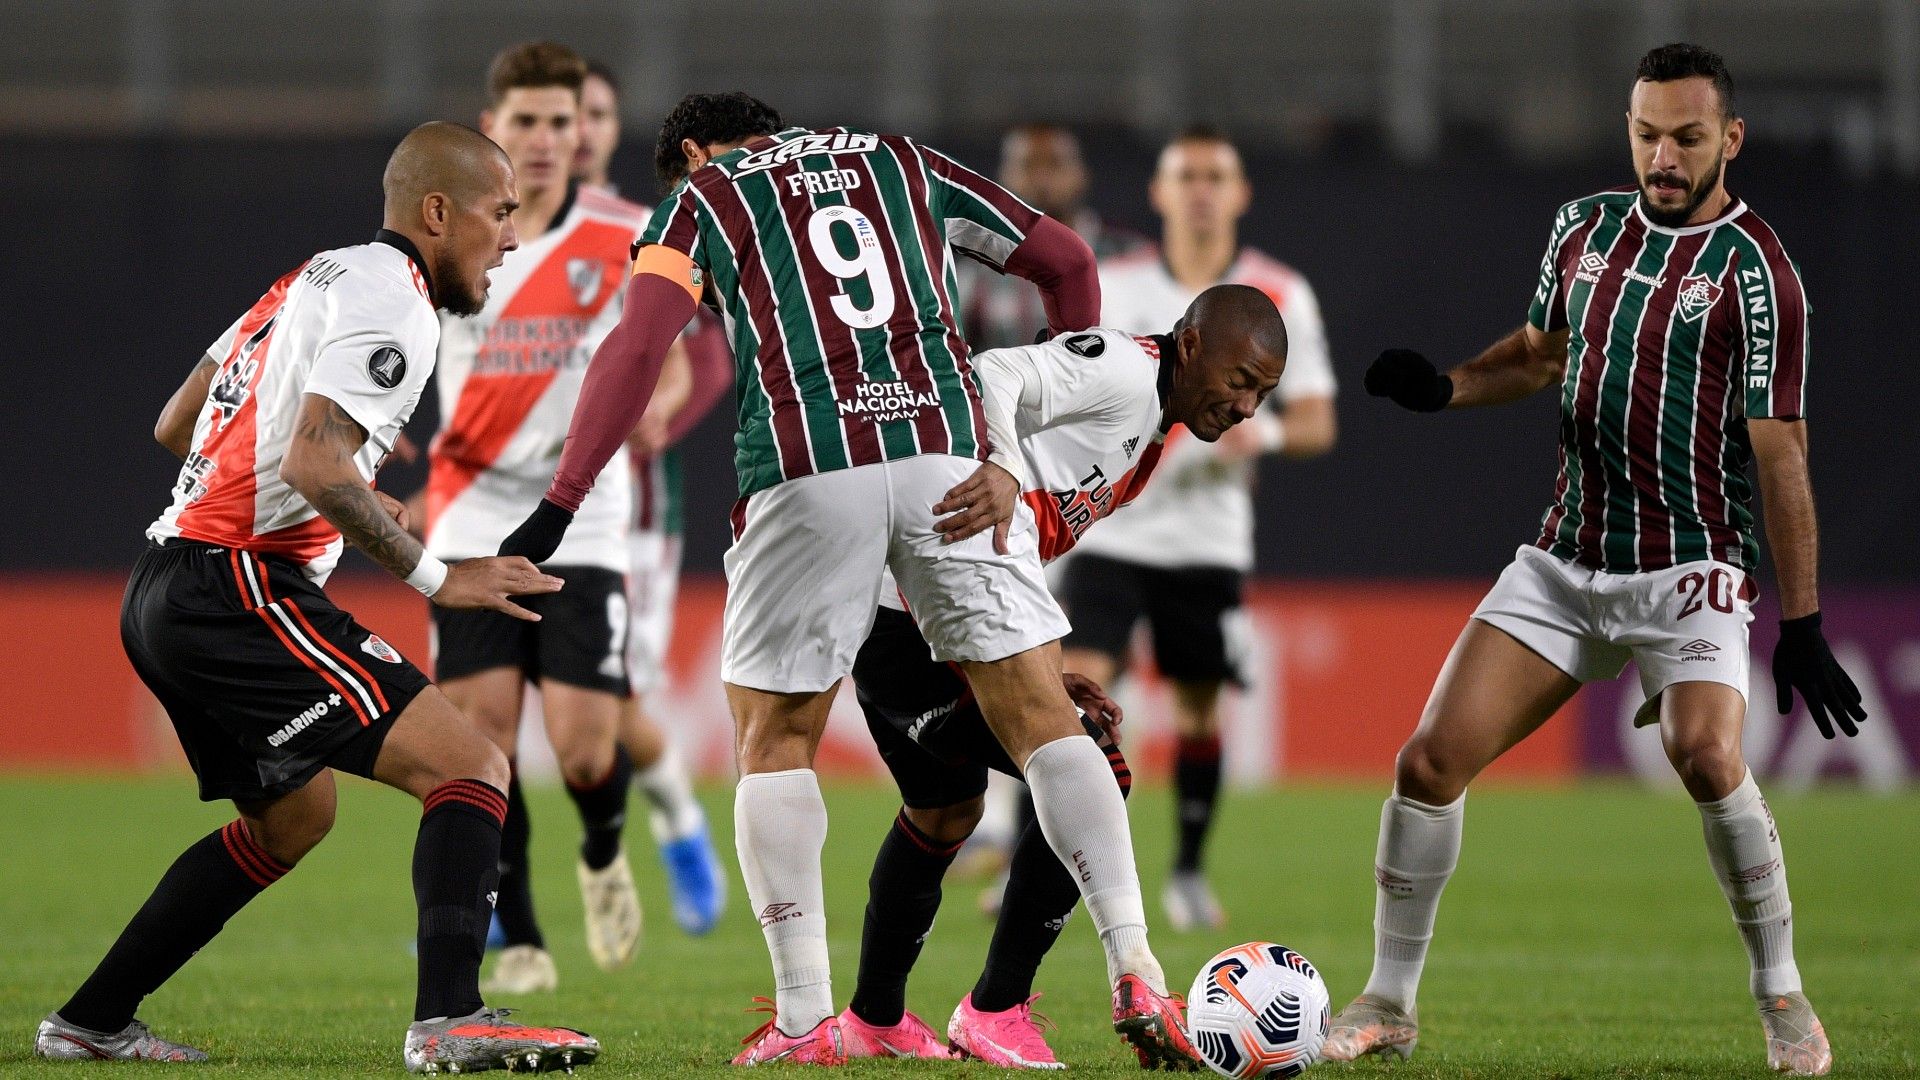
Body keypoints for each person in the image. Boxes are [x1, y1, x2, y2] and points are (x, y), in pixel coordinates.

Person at [500, 92, 1194, 1069]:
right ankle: (1138, 967)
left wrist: (562, 501)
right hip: (948, 450)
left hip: (803, 463)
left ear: (695, 150)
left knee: (776, 736)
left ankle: (803, 1022)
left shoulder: (704, 195)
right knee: (1048, 721)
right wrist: (1060, 409)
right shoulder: (907, 160)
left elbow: (639, 342)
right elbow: (1069, 262)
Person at [1322, 44, 1863, 1078]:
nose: (1663, 156)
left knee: (1707, 756)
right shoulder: (1584, 228)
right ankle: (1389, 1002)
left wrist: (1802, 622)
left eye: (1687, 138)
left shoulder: (1761, 278)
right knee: (1427, 764)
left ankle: (1782, 996)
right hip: (1567, 559)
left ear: (1730, 141)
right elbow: (1538, 352)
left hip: (1690, 567)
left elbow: (1782, 454)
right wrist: (1443, 388)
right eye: (1647, 133)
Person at [33, 122, 600, 1074]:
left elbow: (180, 423)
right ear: (436, 211)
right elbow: (312, 456)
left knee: (293, 820)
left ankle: (90, 1022)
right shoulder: (398, 303)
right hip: (239, 583)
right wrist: (437, 574)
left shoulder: (312, 276)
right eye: (498, 214)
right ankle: (450, 1020)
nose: (508, 238)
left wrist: (326, 484)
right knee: (471, 766)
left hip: (165, 586)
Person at [839, 286, 1288, 1067]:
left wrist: (1039, 664)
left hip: (901, 612)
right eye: (1241, 379)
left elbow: (1023, 535)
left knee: (945, 811)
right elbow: (994, 371)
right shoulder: (1122, 367)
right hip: (918, 606)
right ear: (1189, 345)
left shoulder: (1151, 427)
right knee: (1092, 764)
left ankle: (874, 1019)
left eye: (1263, 393)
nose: (1247, 405)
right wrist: (1007, 468)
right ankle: (1024, 1001)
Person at [424, 41, 662, 994]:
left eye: (561, 121)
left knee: (584, 751)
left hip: (586, 517)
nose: (544, 139)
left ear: (583, 130)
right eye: (524, 120)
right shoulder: (454, 237)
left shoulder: (634, 235)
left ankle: (603, 849)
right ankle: (517, 933)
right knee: (484, 743)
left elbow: (675, 347)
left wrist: (672, 391)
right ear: (493, 128)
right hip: (470, 513)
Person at [1059, 125, 1338, 931]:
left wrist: (1271, 433)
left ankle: (1184, 871)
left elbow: (1318, 419)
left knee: (1195, 715)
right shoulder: (1115, 282)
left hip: (1206, 541)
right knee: (1071, 699)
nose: (1202, 190)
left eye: (1217, 174)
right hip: (1109, 527)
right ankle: (1053, 869)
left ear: (1242, 193)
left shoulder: (1279, 292)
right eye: (1187, 176)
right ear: (1160, 192)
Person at [574, 55, 735, 937]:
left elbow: (705, 355)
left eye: (593, 114)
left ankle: (678, 826)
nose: (577, 132)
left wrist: (659, 412)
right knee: (488, 695)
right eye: (561, 115)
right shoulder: (496, 234)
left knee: (615, 698)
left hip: (625, 507)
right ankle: (491, 907)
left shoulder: (649, 226)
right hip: (502, 503)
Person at [957, 124, 1147, 353]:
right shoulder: (977, 272)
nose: (1042, 177)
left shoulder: (1130, 256)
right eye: (1028, 165)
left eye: (1055, 163)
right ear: (1004, 177)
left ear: (1081, 174)